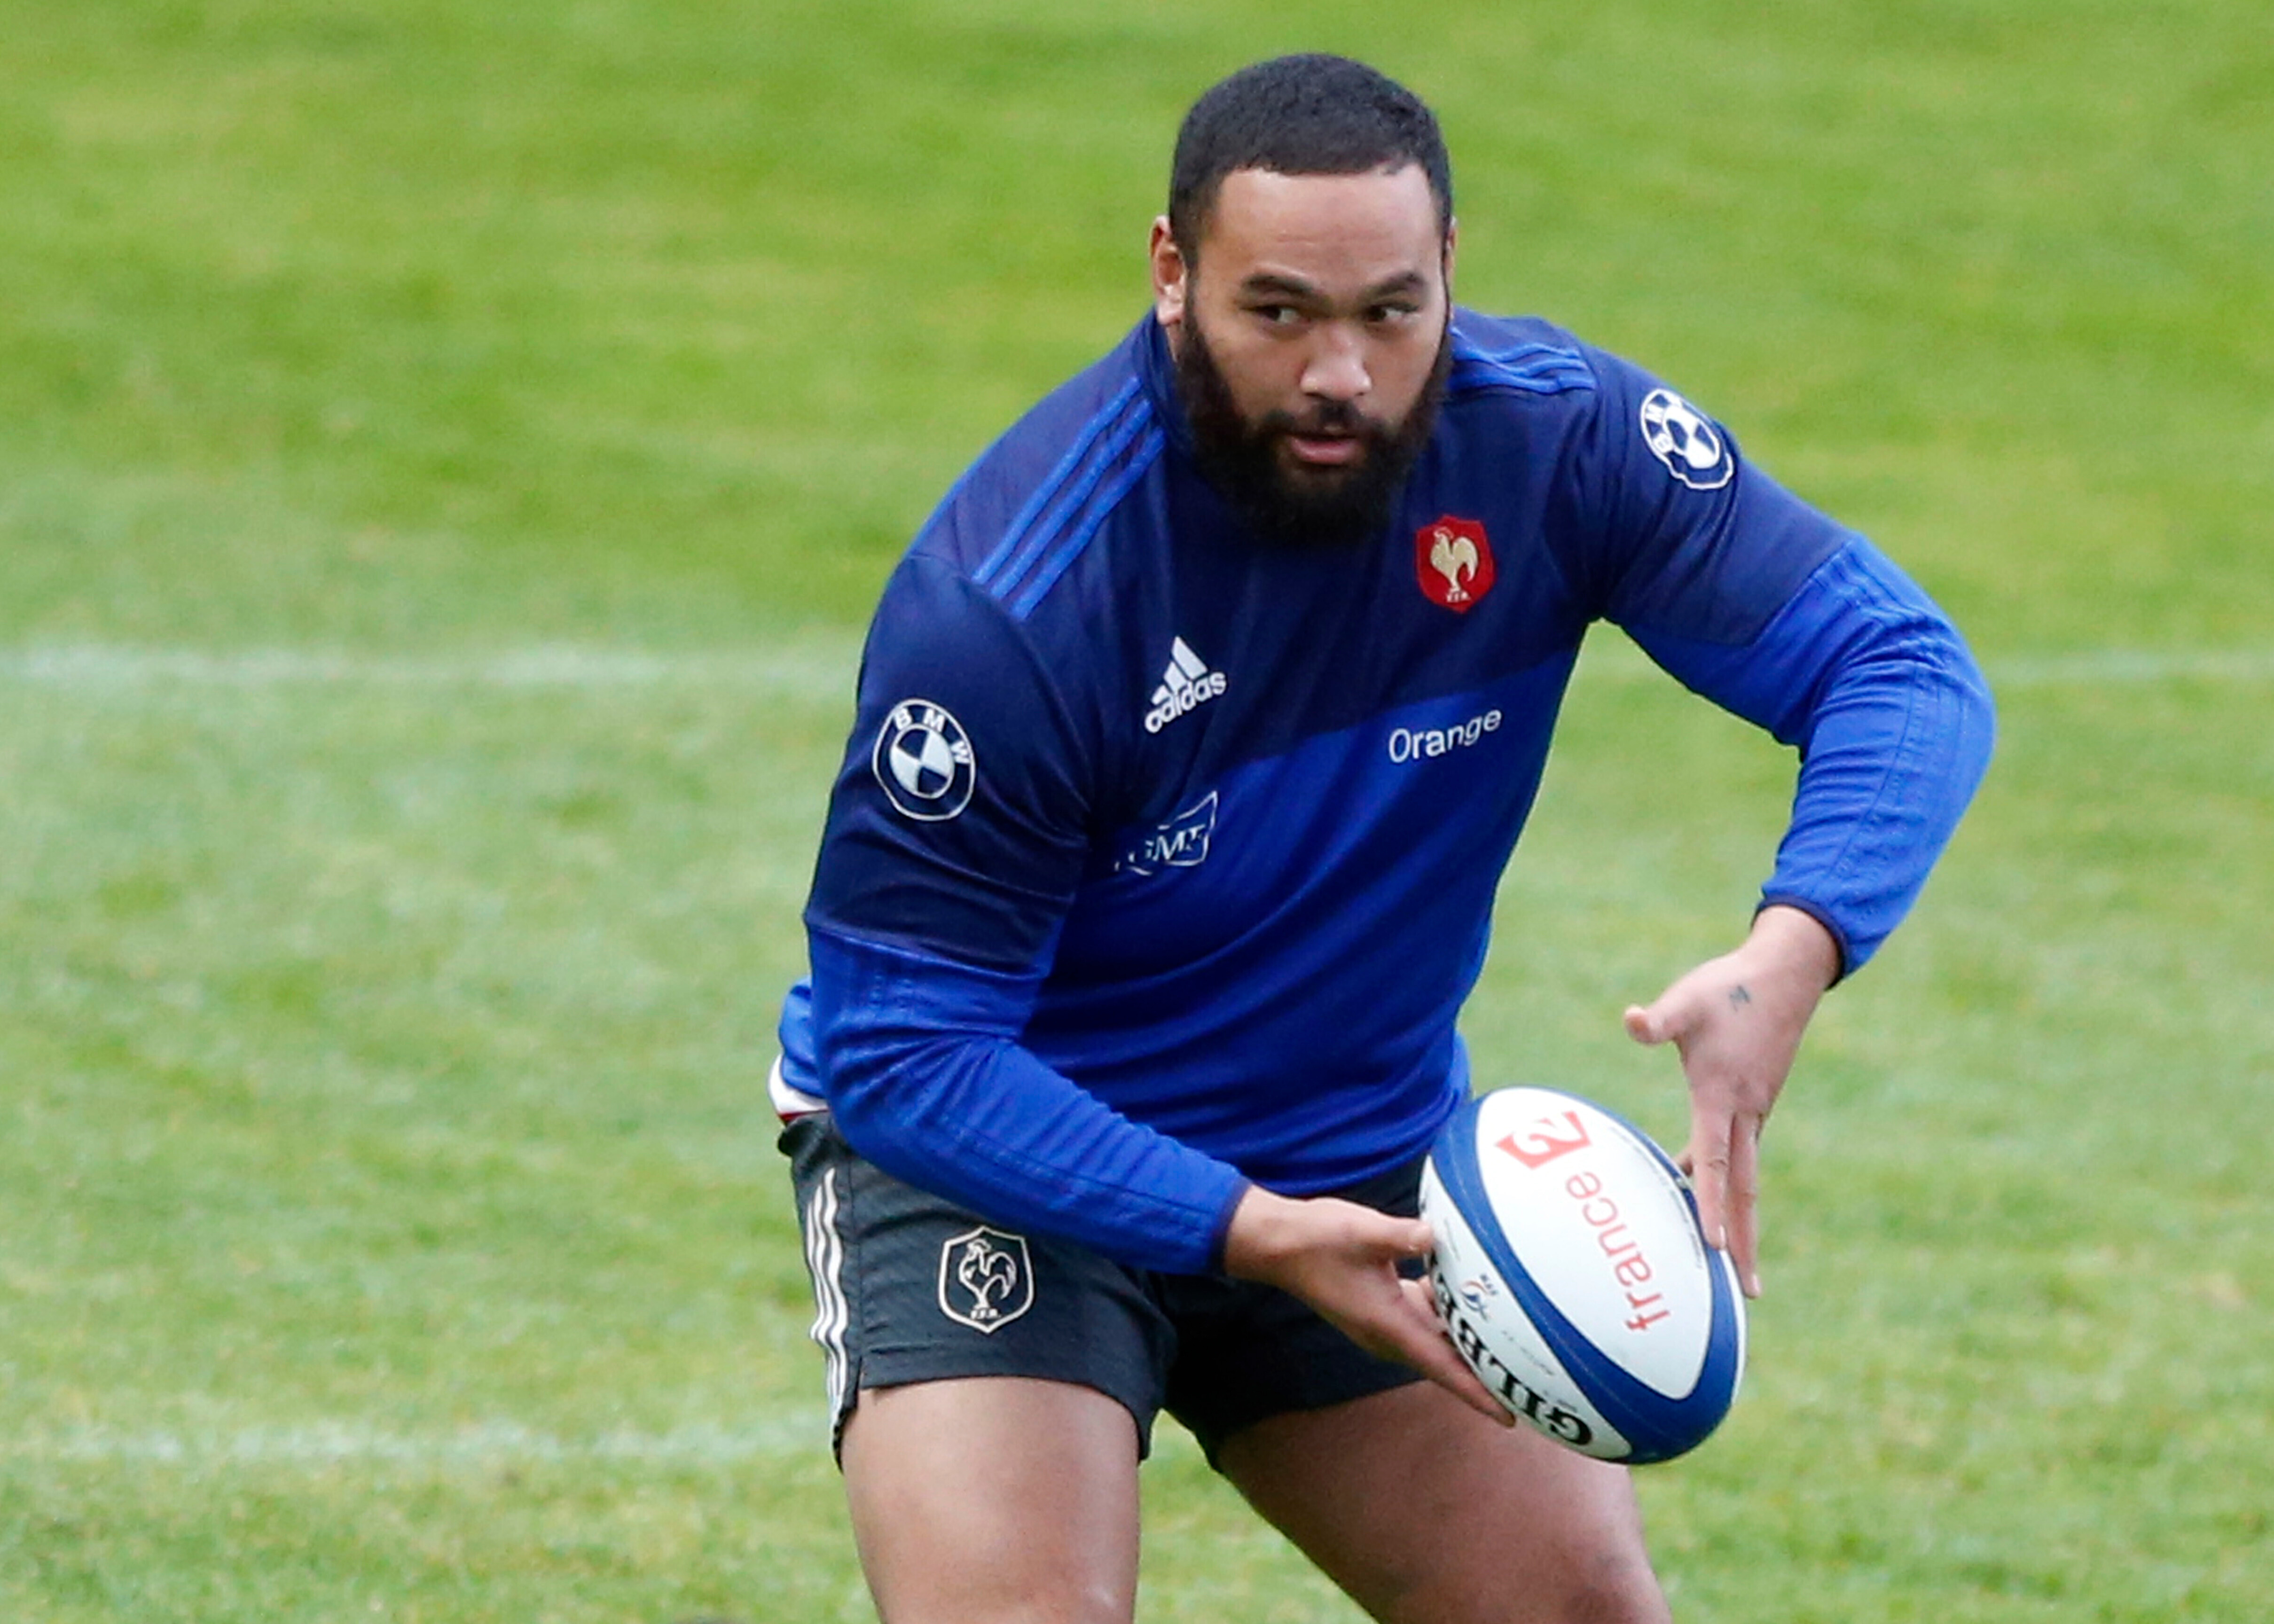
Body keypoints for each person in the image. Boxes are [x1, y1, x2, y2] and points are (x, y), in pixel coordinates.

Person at [767, 53, 1992, 1624]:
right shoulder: (1018, 603)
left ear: (1450, 276)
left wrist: (1791, 954)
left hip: (1356, 1158)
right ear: (1170, 273)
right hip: (1005, 1163)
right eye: (1277, 313)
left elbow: (1898, 667)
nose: (1340, 372)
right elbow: (900, 1053)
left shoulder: (1560, 444)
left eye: (1389, 312)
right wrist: (1241, 1229)